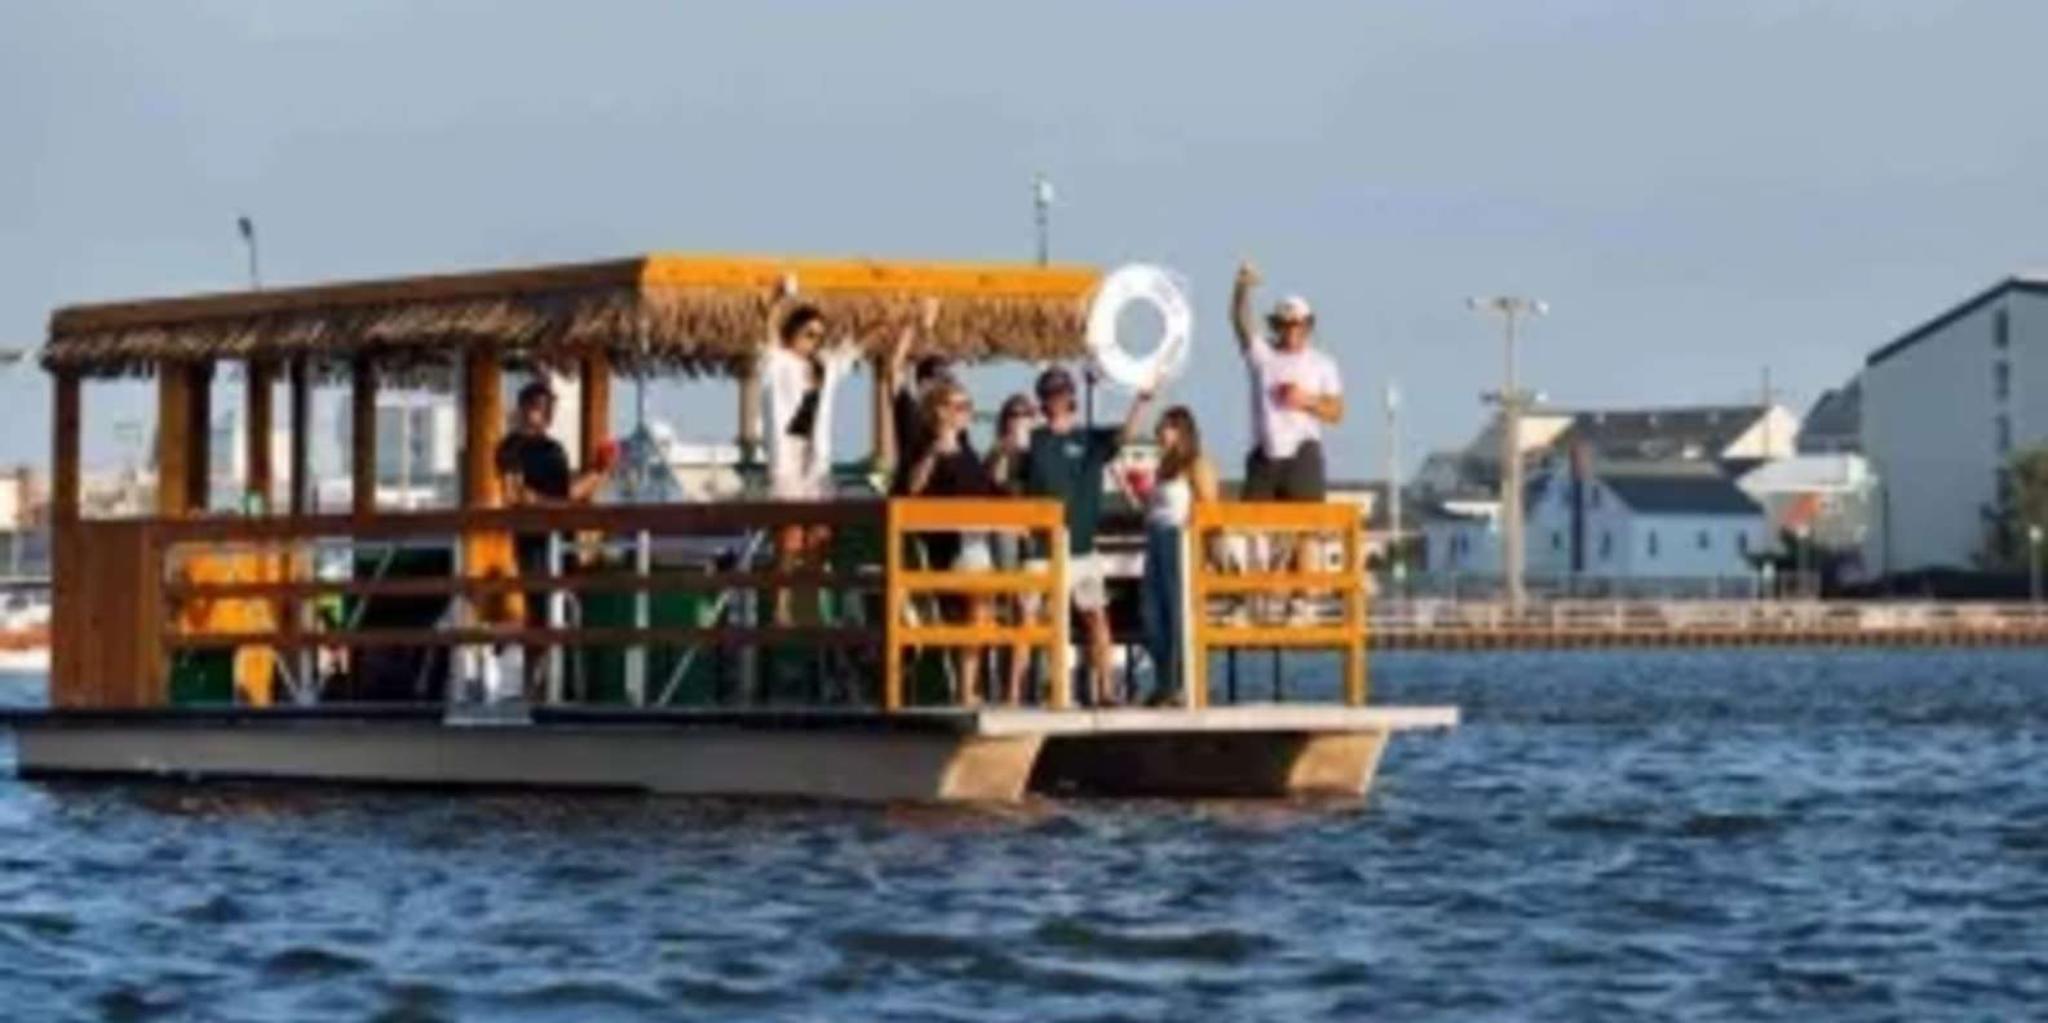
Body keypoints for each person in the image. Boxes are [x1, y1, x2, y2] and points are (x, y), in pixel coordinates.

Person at [1022, 366, 1154, 707]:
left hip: (1082, 549)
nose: (1056, 400)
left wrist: (1141, 401)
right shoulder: (1033, 441)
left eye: (1061, 394)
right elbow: (1010, 475)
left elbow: (1124, 435)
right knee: (1027, 621)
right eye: (1050, 395)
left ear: (1071, 398)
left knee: (1096, 616)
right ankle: (1014, 692)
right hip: (1041, 549)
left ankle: (1107, 689)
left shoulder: (1089, 440)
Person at [1231, 260, 1345, 618]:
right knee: (1248, 529)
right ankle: (1246, 599)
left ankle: (1301, 600)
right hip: (1266, 451)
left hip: (1302, 451)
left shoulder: (1322, 364)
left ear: (1308, 326)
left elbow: (1336, 412)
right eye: (1283, 324)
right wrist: (1242, 288)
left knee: (1306, 528)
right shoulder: (1263, 356)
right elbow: (1238, 322)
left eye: (1297, 324)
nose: (1290, 330)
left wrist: (1305, 400)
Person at [496, 380, 614, 700]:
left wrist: (599, 472)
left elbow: (568, 494)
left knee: (561, 610)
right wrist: (551, 504)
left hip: (562, 539)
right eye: (537, 407)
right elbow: (515, 496)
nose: (544, 414)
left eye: (548, 408)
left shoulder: (555, 449)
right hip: (532, 541)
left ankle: (555, 685)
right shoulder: (511, 448)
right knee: (539, 613)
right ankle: (532, 687)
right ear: (522, 409)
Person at [760, 280, 861, 622]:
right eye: (808, 334)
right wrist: (778, 303)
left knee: (818, 537)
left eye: (819, 336)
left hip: (814, 460)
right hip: (789, 455)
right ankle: (782, 606)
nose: (814, 342)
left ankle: (811, 604)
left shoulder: (823, 367)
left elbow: (851, 350)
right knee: (789, 538)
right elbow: (769, 335)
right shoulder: (781, 362)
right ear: (794, 334)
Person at [902, 379, 1001, 704]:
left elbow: (987, 489)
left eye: (968, 406)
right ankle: (965, 689)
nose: (966, 413)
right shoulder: (925, 446)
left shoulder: (968, 447)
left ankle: (969, 687)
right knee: (976, 611)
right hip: (952, 543)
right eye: (959, 407)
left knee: (983, 615)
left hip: (978, 541)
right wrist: (933, 453)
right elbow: (911, 489)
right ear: (940, 411)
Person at [1137, 406, 1220, 706]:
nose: (1160, 432)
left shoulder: (1197, 463)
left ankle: (1181, 682)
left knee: (1177, 613)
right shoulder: (1163, 466)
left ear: (1181, 431)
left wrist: (1206, 549)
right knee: (1151, 613)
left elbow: (1210, 507)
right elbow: (1153, 508)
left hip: (1179, 538)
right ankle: (1164, 680)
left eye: (1166, 427)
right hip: (1156, 536)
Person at [985, 393, 1038, 704]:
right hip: (1004, 531)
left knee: (1029, 611)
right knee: (1009, 609)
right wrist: (1007, 450)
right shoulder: (997, 453)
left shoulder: (1040, 451)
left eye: (1026, 414)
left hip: (1033, 533)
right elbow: (993, 482)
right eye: (1015, 414)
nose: (1020, 419)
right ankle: (1009, 688)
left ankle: (1024, 686)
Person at [887, 298, 958, 479]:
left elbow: (929, 361)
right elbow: (894, 368)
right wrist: (914, 326)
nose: (943, 387)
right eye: (938, 381)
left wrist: (927, 327)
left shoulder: (952, 415)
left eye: (945, 382)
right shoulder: (910, 408)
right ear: (923, 384)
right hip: (912, 490)